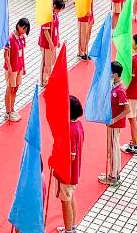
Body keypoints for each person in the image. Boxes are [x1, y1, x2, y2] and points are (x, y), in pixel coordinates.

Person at [99, 62, 129, 186]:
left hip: (115, 125)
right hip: (111, 123)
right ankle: (112, 172)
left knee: (114, 148)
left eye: (110, 72)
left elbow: (127, 110)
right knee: (112, 148)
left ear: (115, 74)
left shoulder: (120, 90)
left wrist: (114, 120)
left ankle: (113, 176)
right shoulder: (114, 85)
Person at [58, 96, 84, 233]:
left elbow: (70, 156)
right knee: (71, 197)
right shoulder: (78, 125)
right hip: (75, 171)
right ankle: (72, 225)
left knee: (65, 201)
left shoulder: (69, 130)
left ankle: (68, 229)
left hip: (66, 172)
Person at [122, 34, 137, 154]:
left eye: (133, 41)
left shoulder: (135, 60)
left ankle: (135, 145)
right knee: (136, 117)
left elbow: (129, 78)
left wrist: (124, 89)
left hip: (132, 94)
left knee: (132, 119)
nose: (131, 43)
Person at [4, 18, 30, 122]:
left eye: (26, 30)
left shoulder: (22, 37)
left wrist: (23, 66)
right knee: (10, 88)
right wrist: (9, 68)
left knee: (16, 89)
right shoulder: (10, 38)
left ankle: (12, 109)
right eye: (23, 29)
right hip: (12, 68)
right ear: (18, 26)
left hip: (19, 67)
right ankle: (8, 112)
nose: (24, 31)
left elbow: (22, 52)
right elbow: (6, 55)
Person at [39, 0, 65, 86]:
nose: (59, 11)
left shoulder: (55, 14)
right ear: (54, 6)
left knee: (51, 62)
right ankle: (44, 80)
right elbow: (45, 31)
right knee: (46, 62)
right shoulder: (48, 15)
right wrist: (50, 43)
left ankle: (48, 77)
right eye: (59, 9)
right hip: (46, 43)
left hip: (52, 42)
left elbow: (56, 28)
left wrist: (57, 40)